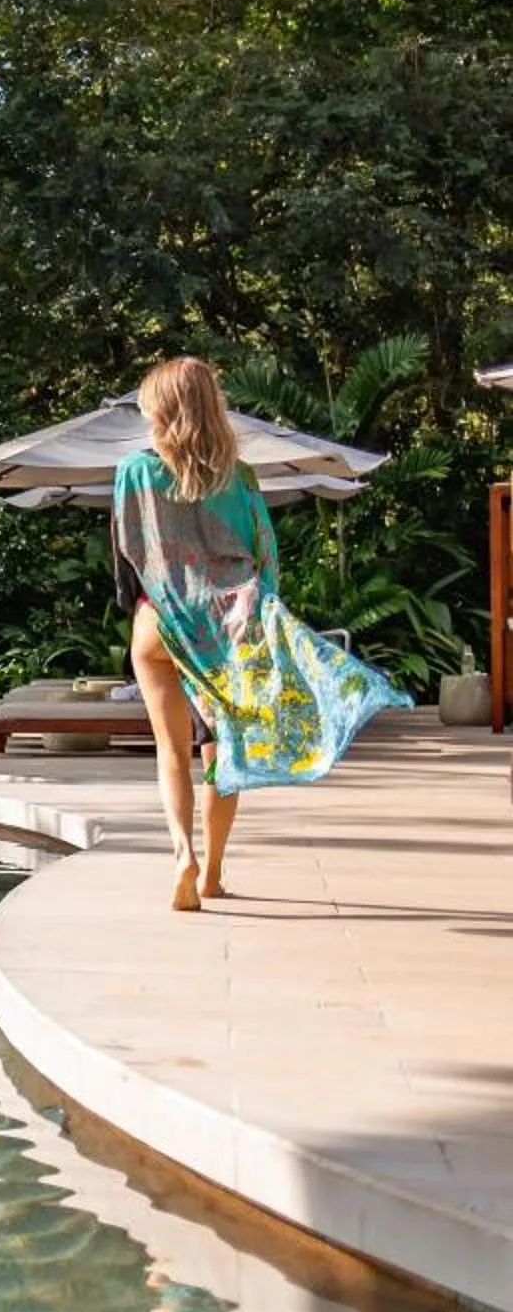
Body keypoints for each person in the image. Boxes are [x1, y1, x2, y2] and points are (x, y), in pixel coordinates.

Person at [112, 356, 407, 912]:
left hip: (159, 623)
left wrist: (151, 601)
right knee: (222, 751)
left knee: (169, 750)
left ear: (162, 411)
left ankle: (181, 854)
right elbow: (265, 558)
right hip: (226, 627)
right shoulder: (240, 478)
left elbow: (128, 552)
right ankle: (212, 875)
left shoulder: (134, 471)